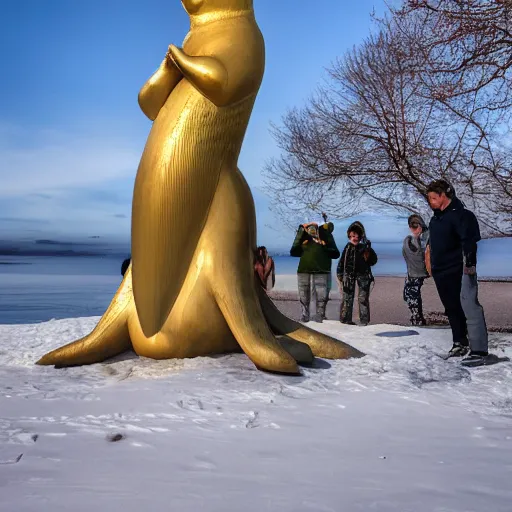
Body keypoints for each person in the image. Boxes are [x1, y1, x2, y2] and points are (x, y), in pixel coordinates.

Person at [426, 179, 492, 365]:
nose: (430, 202)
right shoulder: (435, 219)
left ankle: (479, 350)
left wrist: (469, 265)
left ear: (443, 196)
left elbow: (469, 242)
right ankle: (459, 343)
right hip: (441, 271)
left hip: (460, 269)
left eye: (432, 198)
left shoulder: (463, 215)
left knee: (470, 306)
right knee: (452, 308)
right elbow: (431, 245)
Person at [290, 221, 340, 323]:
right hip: (304, 270)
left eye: (313, 227)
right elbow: (294, 251)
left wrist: (325, 238)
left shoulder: (324, 236)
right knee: (303, 294)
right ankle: (305, 315)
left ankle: (320, 315)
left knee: (322, 295)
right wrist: (300, 231)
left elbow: (335, 253)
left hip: (322, 270)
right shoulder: (304, 238)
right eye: (309, 227)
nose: (311, 229)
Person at [337, 221, 377, 326]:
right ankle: (346, 320)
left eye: (355, 236)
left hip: (363, 276)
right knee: (347, 298)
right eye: (351, 236)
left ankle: (364, 321)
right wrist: (340, 274)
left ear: (360, 236)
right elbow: (342, 261)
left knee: (363, 299)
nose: (353, 238)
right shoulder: (348, 247)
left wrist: (368, 252)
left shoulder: (365, 247)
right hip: (349, 275)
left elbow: (373, 261)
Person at [402, 214, 430, 326]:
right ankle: (417, 318)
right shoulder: (411, 239)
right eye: (412, 226)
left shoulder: (423, 238)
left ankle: (417, 319)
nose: (414, 228)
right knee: (409, 294)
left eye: (416, 225)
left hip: (417, 272)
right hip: (414, 271)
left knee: (410, 294)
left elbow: (420, 255)